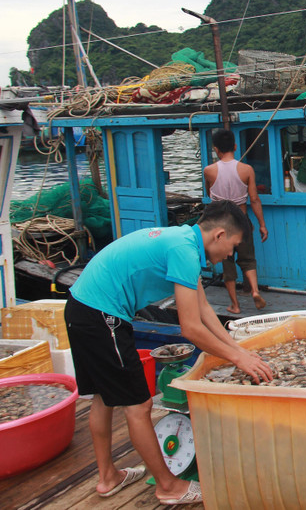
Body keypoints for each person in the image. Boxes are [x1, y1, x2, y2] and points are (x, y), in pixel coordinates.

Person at [63, 201, 274, 505]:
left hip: (82, 306)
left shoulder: (183, 240)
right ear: (219, 235)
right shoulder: (184, 251)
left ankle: (108, 477)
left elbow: (203, 309)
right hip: (101, 314)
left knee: (102, 396)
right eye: (233, 246)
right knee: (139, 406)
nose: (230, 254)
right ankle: (168, 486)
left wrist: (236, 348)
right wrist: (238, 359)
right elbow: (190, 328)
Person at [204, 129, 269, 313]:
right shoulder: (246, 169)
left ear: (216, 149)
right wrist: (262, 224)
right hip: (242, 219)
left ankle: (235, 305)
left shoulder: (209, 171)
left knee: (227, 262)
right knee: (248, 259)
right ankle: (255, 291)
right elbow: (254, 199)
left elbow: (210, 194)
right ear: (235, 146)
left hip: (221, 224)